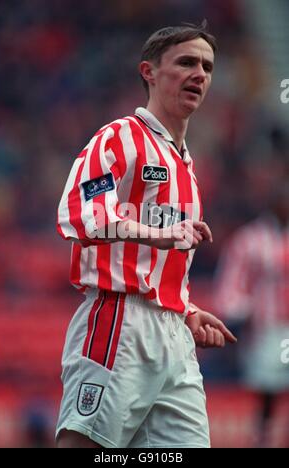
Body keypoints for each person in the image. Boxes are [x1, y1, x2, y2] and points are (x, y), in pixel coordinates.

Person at [56, 21, 237, 449]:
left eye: (207, 67)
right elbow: (79, 216)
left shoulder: (187, 166)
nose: (200, 74)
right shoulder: (119, 138)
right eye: (186, 63)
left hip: (175, 337)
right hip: (119, 322)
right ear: (149, 72)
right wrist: (157, 233)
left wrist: (186, 309)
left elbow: (157, 258)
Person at [215, 182, 289, 447]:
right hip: (266, 330)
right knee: (268, 392)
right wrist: (242, 309)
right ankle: (263, 441)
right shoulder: (249, 241)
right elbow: (230, 286)